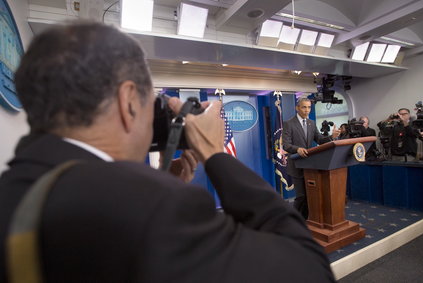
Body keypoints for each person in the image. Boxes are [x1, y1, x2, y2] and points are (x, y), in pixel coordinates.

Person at [0, 23, 334, 282]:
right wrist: (216, 156)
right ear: (129, 101)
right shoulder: (152, 205)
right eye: (152, 104)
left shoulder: (14, 188)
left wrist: (160, 181)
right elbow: (308, 269)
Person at [282, 98, 340, 219]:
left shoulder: (311, 123)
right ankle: (294, 221)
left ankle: (306, 219)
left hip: (310, 165)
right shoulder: (289, 123)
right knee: (301, 196)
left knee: (310, 195)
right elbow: (286, 145)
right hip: (296, 165)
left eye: (308, 107)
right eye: (304, 107)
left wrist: (331, 137)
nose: (307, 110)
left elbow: (319, 140)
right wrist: (297, 149)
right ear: (297, 108)